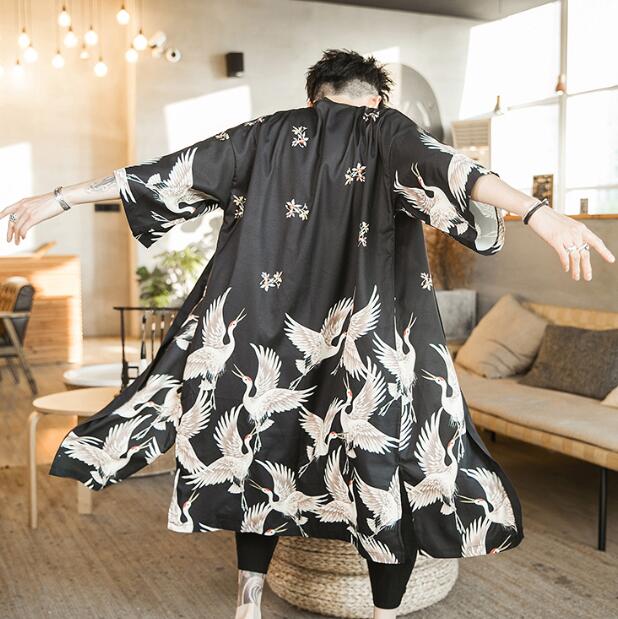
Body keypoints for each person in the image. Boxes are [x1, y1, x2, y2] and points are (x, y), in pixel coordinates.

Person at [2, 49, 614, 619]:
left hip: (265, 336)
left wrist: (58, 199)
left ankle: (247, 604)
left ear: (313, 96)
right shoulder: (385, 128)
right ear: (374, 97)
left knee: (261, 454)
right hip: (370, 344)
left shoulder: (267, 132)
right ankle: (384, 612)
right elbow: (454, 170)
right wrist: (541, 214)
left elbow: (171, 171)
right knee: (385, 467)